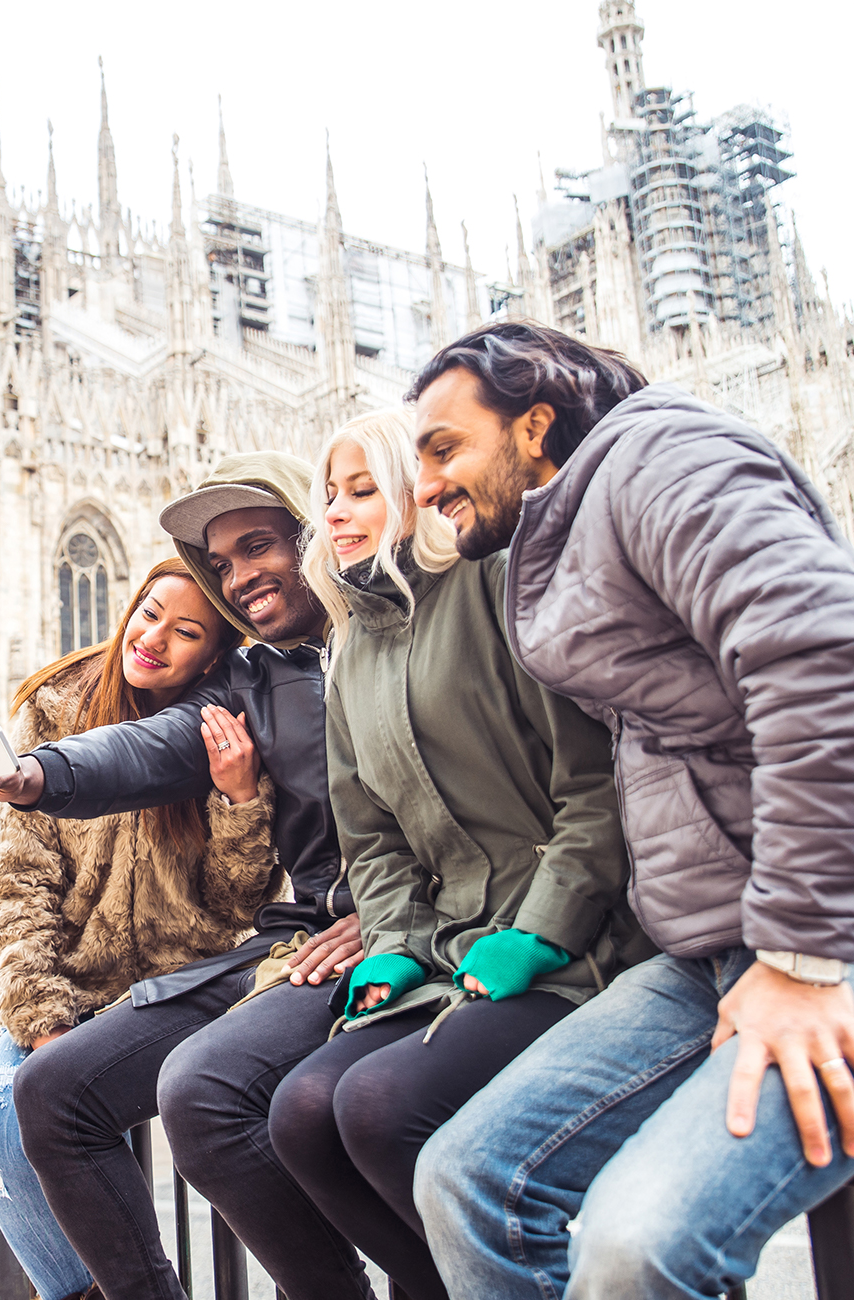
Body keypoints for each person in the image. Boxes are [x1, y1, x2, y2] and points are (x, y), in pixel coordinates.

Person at [399, 321, 854, 1299]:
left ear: (534, 425)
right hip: (719, 959)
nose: (425, 486)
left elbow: (830, 666)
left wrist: (800, 952)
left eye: (444, 448)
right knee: (465, 1178)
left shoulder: (661, 459)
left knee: (635, 1242)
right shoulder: (573, 527)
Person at [0, 451, 374, 1299]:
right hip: (267, 950)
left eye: (258, 547)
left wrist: (246, 805)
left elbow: (249, 890)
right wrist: (25, 773)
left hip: (324, 944)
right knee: (40, 1092)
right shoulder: (249, 683)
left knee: (215, 1094)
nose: (241, 575)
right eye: (223, 564)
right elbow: (133, 755)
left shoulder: (393, 638)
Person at [256, 410, 640, 1299]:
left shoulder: (497, 584)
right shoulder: (351, 651)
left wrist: (542, 931)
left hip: (577, 944)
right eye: (329, 494)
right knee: (302, 1114)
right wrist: (393, 944)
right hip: (454, 952)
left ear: (415, 493)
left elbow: (597, 785)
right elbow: (372, 837)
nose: (335, 512)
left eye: (362, 491)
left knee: (378, 1106)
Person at [0, 553, 277, 1300]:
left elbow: (238, 906)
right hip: (75, 987)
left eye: (187, 632)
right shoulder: (55, 707)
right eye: (149, 613)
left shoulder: (223, 727)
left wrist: (238, 800)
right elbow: (21, 884)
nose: (154, 638)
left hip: (184, 986)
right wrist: (44, 1021)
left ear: (215, 655)